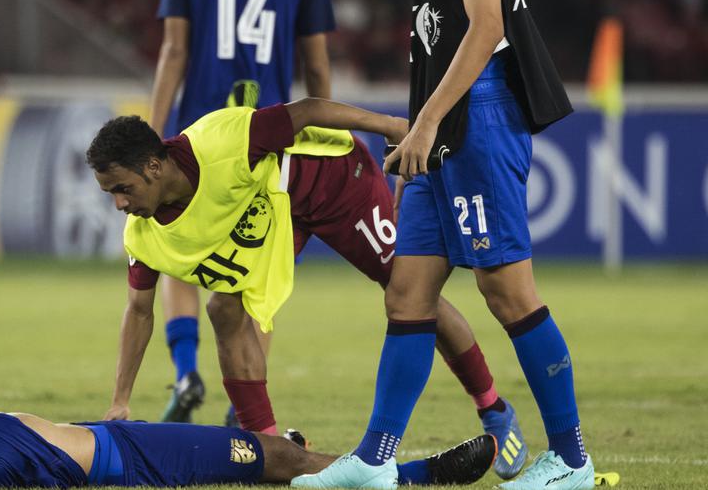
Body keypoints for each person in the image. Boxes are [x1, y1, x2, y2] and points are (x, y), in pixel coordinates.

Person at [292, 0, 590, 490]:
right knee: (407, 292)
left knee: (506, 292)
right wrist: (417, 141)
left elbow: (488, 27)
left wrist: (425, 123)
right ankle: (372, 460)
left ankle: (572, 460)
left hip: (476, 124)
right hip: (441, 132)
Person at [88, 98, 523, 487]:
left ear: (152, 167)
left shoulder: (221, 140)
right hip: (274, 211)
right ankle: (270, 448)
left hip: (334, 181)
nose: (119, 205)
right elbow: (139, 311)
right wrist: (120, 401)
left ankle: (493, 408)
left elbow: (310, 111)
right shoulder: (141, 236)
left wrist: (392, 126)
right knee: (225, 307)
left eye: (122, 189)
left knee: (410, 293)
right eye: (110, 194)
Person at [148, 0, 335, 425]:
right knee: (255, 276)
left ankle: (184, 371)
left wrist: (152, 135)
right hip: (264, 141)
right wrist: (325, 137)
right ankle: (242, 407)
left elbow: (173, 53)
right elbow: (317, 66)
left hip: (195, 141)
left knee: (175, 254)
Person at [0, 383, 497, 489]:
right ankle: (419, 476)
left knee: (256, 451)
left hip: (106, 442)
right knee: (273, 455)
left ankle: (257, 458)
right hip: (127, 460)